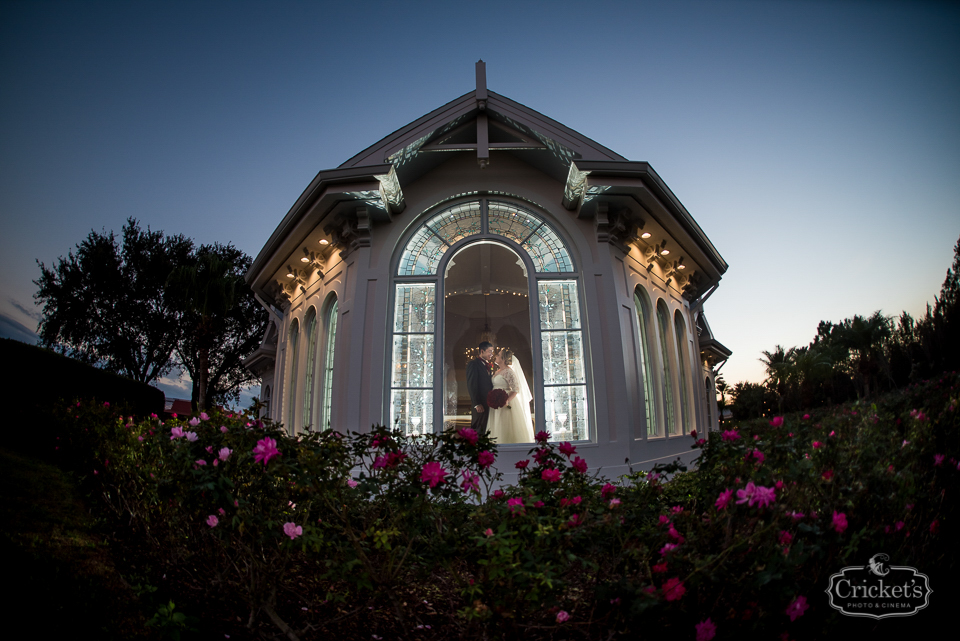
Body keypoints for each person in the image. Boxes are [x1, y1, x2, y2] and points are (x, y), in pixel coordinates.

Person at [487, 348, 535, 444]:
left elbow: (515, 389)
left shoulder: (509, 372)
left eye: (498, 355)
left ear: (503, 359)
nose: (495, 356)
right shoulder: (498, 371)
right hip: (495, 402)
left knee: (505, 425)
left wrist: (506, 400)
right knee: (496, 424)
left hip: (505, 402)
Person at [466, 341, 495, 434]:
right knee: (479, 430)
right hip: (480, 405)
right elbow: (471, 385)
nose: (492, 354)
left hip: (489, 404)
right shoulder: (473, 364)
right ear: (482, 351)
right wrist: (477, 403)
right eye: (489, 351)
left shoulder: (488, 365)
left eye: (492, 351)